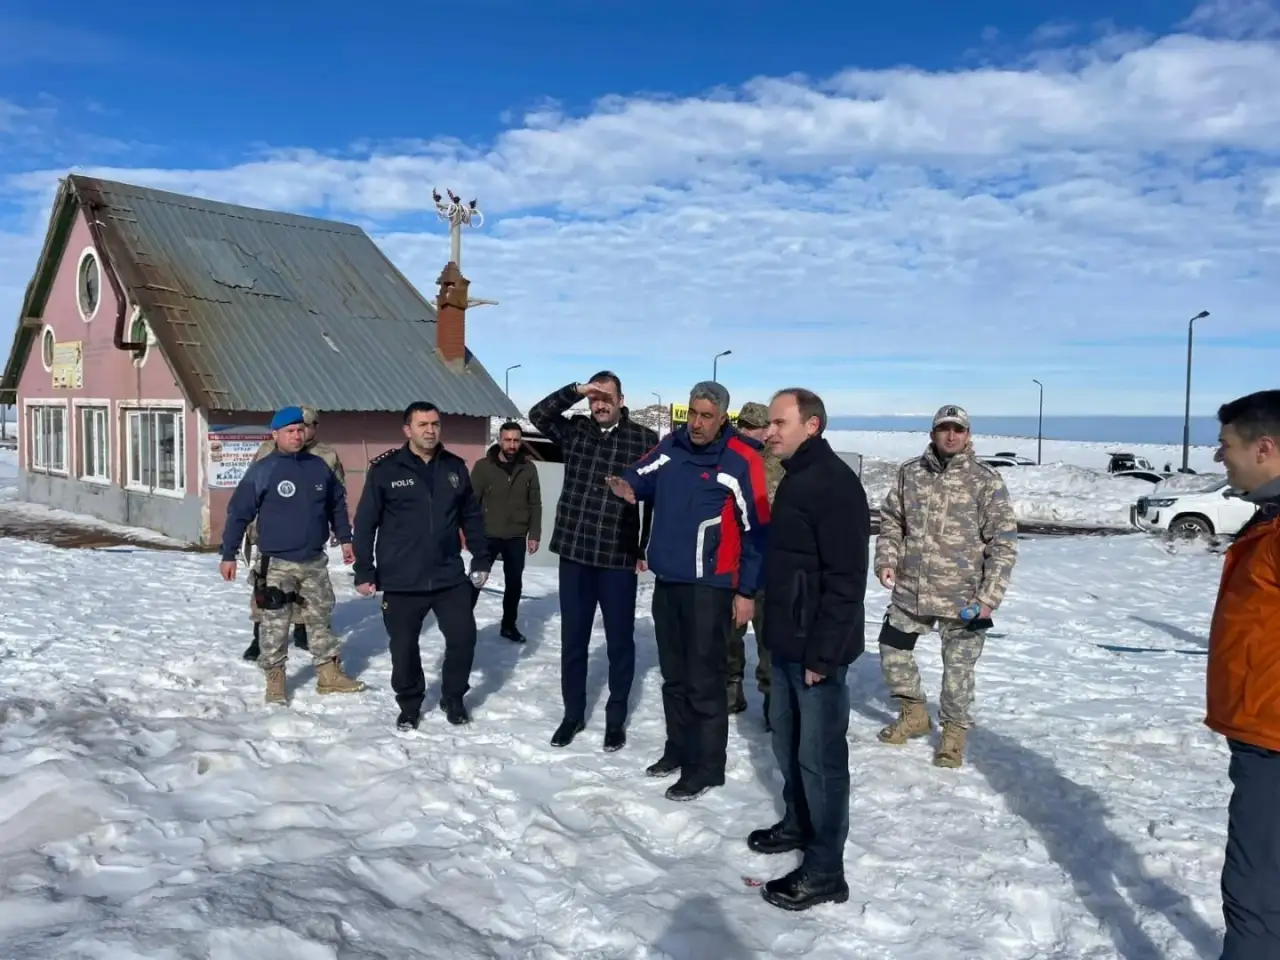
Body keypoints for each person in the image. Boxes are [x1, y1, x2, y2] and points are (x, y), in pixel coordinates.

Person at [607, 381, 769, 801]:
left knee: (705, 680)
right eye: (693, 413)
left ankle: (707, 767)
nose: (696, 423)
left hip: (710, 587)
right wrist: (626, 484)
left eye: (706, 416)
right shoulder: (673, 446)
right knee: (674, 677)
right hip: (668, 581)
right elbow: (641, 472)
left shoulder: (741, 459)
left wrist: (746, 592)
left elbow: (757, 531)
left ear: (723, 419)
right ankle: (677, 749)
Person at [746, 387, 868, 911]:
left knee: (821, 761)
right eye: (769, 423)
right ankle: (799, 822)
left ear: (811, 425)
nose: (769, 431)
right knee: (788, 743)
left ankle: (825, 871)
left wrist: (823, 655)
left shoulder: (834, 485)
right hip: (785, 642)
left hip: (817, 654)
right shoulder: (797, 477)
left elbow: (846, 580)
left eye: (780, 423)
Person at [872, 404, 1018, 768]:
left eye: (958, 429)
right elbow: (892, 521)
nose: (951, 435)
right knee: (893, 652)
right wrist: (886, 560)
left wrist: (989, 597)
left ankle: (953, 734)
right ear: (932, 433)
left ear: (968, 435)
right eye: (944, 429)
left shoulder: (985, 480)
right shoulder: (910, 473)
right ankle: (913, 714)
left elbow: (1003, 543)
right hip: (912, 592)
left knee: (957, 674)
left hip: (964, 599)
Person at [530, 373, 658, 752]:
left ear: (621, 399)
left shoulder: (644, 440)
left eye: (607, 397)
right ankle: (573, 714)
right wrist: (575, 390)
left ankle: (615, 719)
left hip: (617, 555)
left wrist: (643, 546)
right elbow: (538, 415)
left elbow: (654, 497)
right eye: (594, 398)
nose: (600, 404)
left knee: (619, 642)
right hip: (575, 552)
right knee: (574, 639)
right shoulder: (575, 431)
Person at [352, 401, 492, 730]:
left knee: (463, 639)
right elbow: (366, 523)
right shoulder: (386, 470)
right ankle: (410, 704)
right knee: (403, 648)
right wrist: (364, 569)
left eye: (435, 424)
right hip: (401, 579)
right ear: (408, 430)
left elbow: (471, 517)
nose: (430, 430)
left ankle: (453, 697)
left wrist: (481, 558)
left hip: (448, 576)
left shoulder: (454, 467)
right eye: (423, 425)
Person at [218, 405, 364, 705]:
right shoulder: (264, 469)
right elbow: (238, 513)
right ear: (275, 434)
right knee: (274, 622)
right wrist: (229, 553)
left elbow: (336, 505)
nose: (297, 435)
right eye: (290, 431)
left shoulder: (318, 466)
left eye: (300, 430)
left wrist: (345, 539)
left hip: (314, 560)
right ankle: (275, 679)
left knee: (320, 618)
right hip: (276, 563)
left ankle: (328, 674)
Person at [1204, 389, 1280, 958]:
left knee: (1255, 893)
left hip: (1273, 740)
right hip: (1261, 730)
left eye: (1225, 444)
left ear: (1264, 448)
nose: (1218, 456)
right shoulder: (1269, 522)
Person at [241, 405, 345, 661]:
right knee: (266, 588)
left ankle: (302, 631)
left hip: (308, 536)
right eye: (295, 427)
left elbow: (336, 496)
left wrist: (339, 530)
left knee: (308, 588)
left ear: (315, 428)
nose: (300, 432)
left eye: (306, 426)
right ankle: (259, 638)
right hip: (272, 537)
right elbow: (251, 489)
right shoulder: (268, 450)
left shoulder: (326, 456)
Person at [726, 400, 785, 723]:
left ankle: (771, 701)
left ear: (767, 429)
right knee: (730, 634)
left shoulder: (782, 464)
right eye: (743, 425)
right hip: (734, 562)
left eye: (753, 427)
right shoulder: (731, 459)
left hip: (770, 566)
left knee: (769, 640)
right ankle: (731, 690)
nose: (746, 431)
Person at [469, 420, 543, 643]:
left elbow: (535, 503)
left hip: (516, 535)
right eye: (508, 440)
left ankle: (509, 626)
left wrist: (534, 534)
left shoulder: (528, 468)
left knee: (514, 584)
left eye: (516, 440)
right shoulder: (483, 467)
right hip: (487, 533)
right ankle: (462, 624)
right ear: (500, 440)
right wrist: (469, 532)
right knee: (476, 580)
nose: (512, 445)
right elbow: (471, 503)